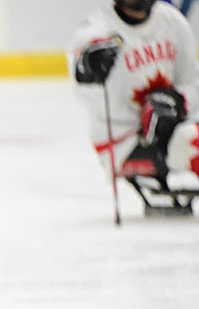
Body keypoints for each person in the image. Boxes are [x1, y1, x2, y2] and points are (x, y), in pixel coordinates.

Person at [69, 0, 199, 186]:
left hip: (172, 130)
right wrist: (87, 71)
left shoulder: (172, 20)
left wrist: (178, 100)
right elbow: (82, 93)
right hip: (123, 146)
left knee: (189, 135)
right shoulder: (97, 29)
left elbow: (193, 81)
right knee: (192, 140)